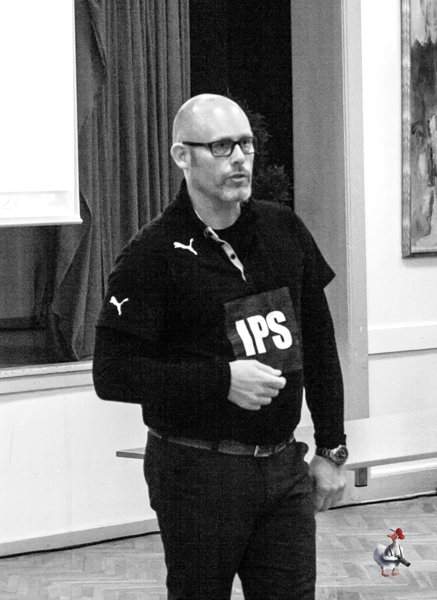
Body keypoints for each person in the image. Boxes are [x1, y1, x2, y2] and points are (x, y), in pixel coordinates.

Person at [93, 93, 347, 599]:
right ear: (181, 156)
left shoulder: (283, 229)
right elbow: (112, 373)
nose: (240, 158)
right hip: (197, 473)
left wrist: (331, 449)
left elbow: (319, 344)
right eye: (221, 146)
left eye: (246, 144)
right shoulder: (152, 254)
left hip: (283, 467)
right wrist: (221, 380)